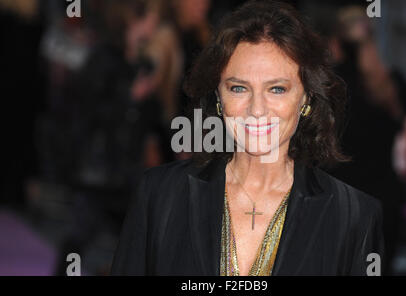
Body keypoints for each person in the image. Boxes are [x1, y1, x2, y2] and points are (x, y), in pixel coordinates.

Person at [111, 0, 384, 276]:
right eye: (239, 88)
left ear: (307, 98)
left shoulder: (354, 216)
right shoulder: (160, 195)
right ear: (218, 97)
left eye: (277, 89)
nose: (256, 109)